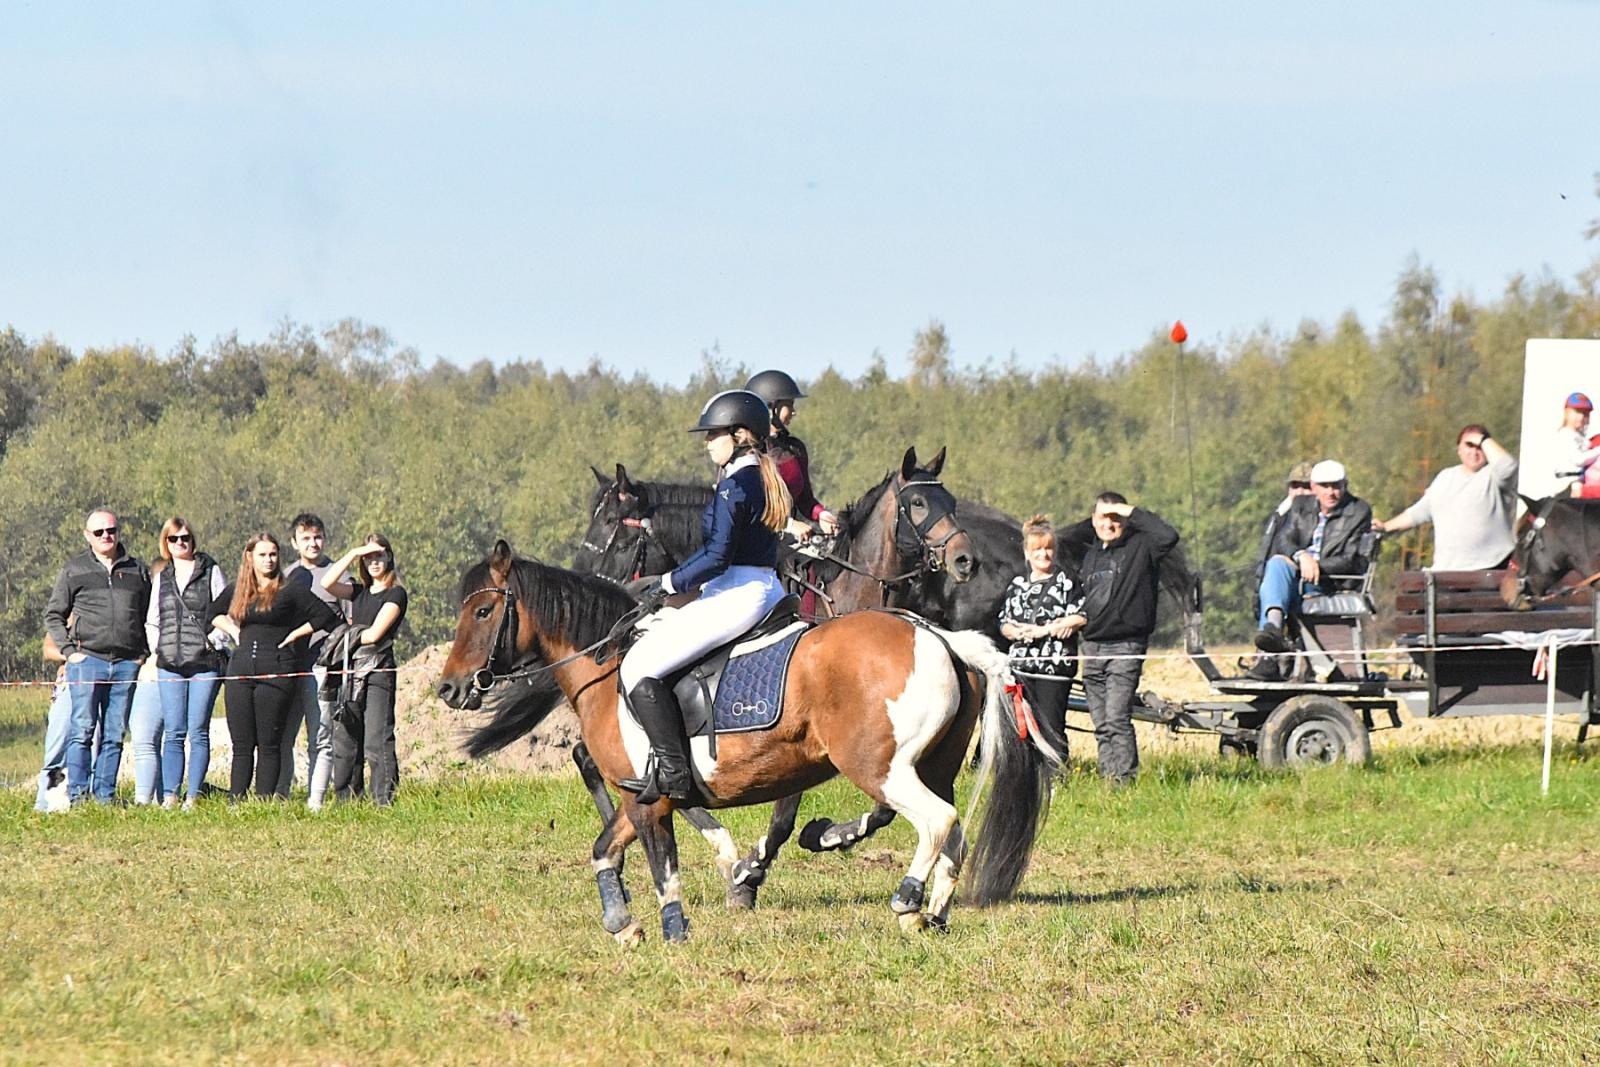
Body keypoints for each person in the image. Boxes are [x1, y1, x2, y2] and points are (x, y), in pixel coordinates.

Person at [620, 389, 794, 803]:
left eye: (713, 434)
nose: (707, 443)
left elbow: (717, 556)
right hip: (762, 586)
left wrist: (667, 583)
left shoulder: (735, 486)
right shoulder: (760, 477)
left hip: (736, 594)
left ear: (739, 435)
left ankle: (673, 772)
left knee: (638, 666)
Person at [211, 532, 343, 800]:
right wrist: (234, 631)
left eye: (273, 554)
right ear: (250, 557)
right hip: (240, 670)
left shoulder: (289, 589)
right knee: (241, 744)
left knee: (269, 743)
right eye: (262, 554)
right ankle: (236, 800)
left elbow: (326, 616)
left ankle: (264, 801)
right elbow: (210, 614)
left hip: (277, 669)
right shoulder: (238, 589)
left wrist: (294, 635)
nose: (269, 559)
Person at [1063, 493, 1179, 784]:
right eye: (1103, 518)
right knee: (1101, 723)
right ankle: (1109, 779)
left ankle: (1125, 781)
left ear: (1126, 519)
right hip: (1091, 647)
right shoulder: (1091, 555)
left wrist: (1124, 509)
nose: (1109, 524)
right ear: (1093, 520)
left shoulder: (1142, 547)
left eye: (1116, 519)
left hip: (1125, 646)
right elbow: (1064, 541)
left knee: (1117, 718)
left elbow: (1168, 536)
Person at [44, 507, 151, 804]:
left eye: (111, 530)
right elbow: (53, 615)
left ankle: (104, 797)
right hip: (87, 660)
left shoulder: (137, 570)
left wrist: (141, 654)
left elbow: (146, 615)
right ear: (87, 536)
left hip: (126, 663)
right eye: (99, 532)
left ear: (118, 532)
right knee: (82, 730)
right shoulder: (74, 570)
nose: (106, 536)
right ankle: (78, 796)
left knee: (115, 734)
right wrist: (69, 652)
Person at [1252, 460, 1374, 671]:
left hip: (1329, 580)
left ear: (1345, 485)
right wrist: (1301, 556)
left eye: (1336, 486)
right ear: (1314, 487)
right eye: (1325, 486)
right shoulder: (1301, 505)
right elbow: (1284, 539)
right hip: (1298, 575)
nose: (1331, 492)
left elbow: (1349, 559)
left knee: (1276, 575)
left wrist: (1313, 565)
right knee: (1276, 564)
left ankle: (1268, 657)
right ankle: (1273, 632)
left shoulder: (1359, 511)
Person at [143, 516, 229, 810]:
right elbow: (153, 619)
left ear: (193, 540)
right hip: (170, 664)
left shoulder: (210, 571)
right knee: (174, 731)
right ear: (165, 543)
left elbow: (225, 612)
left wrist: (213, 642)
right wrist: (159, 648)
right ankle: (170, 795)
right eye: (174, 538)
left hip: (204, 663)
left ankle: (193, 796)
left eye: (185, 538)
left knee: (198, 730)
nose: (180, 543)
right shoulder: (163, 577)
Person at [319, 535, 408, 806]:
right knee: (345, 739)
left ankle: (383, 801)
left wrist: (345, 634)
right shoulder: (358, 592)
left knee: (376, 741)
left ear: (389, 556)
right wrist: (354, 552)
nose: (374, 561)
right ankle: (347, 802)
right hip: (350, 670)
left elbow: (374, 635)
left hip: (378, 669)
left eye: (379, 555)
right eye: (368, 557)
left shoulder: (396, 593)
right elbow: (326, 583)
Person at [997, 515, 1086, 756]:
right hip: (1020, 667)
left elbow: (1081, 615)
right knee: (1021, 727)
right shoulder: (1017, 584)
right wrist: (1014, 631)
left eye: (1048, 549)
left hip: (1052, 667)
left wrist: (1045, 630)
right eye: (1037, 549)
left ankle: (1055, 771)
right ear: (1027, 553)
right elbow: (1003, 621)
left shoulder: (1067, 582)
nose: (1043, 554)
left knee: (1051, 726)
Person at [1373, 425, 1519, 570]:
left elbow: (1509, 467)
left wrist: (1483, 439)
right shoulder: (1445, 478)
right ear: (1459, 449)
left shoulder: (1495, 476)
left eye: (1479, 447)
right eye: (1469, 445)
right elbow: (1418, 513)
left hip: (1493, 568)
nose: (1474, 452)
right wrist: (1385, 526)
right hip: (1447, 571)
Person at [278, 513, 346, 804]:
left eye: (317, 537)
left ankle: (315, 800)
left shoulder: (338, 575)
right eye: (305, 538)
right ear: (294, 543)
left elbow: (349, 623)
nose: (312, 543)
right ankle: (279, 796)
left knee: (320, 737)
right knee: (284, 736)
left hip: (323, 667)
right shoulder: (285, 576)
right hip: (290, 667)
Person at [744, 370, 841, 540]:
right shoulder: (746, 453)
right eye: (789, 404)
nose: (794, 411)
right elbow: (748, 507)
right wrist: (788, 525)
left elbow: (805, 500)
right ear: (770, 407)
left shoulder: (795, 448)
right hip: (754, 541)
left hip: (790, 540)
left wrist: (822, 515)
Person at [35, 634, 71, 813]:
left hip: (100, 684)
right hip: (68, 684)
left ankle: (86, 803)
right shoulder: (66, 620)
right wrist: (72, 657)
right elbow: (48, 649)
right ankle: (43, 805)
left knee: (94, 748)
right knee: (56, 749)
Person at [1554, 393, 1600, 497]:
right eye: (1577, 412)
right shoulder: (1565, 435)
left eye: (1585, 414)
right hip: (1568, 483)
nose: (1581, 417)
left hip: (1577, 482)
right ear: (1567, 413)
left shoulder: (1580, 438)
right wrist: (1598, 450)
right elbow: (1578, 459)